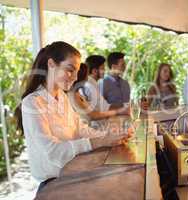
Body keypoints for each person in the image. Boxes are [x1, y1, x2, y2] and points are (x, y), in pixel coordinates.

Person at [14, 41, 131, 193]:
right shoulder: (32, 102)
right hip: (53, 184)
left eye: (76, 71)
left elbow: (80, 129)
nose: (75, 77)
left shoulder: (62, 97)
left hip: (73, 171)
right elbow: (52, 151)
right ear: (51, 64)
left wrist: (110, 136)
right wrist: (99, 141)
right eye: (70, 70)